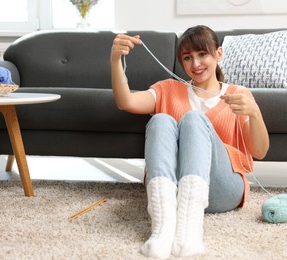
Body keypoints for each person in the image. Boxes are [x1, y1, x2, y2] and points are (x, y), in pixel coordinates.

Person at [110, 25, 269, 259]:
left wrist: (254, 113)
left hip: (222, 189)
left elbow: (260, 151)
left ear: (218, 54)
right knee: (161, 120)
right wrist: (115, 60)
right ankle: (162, 229)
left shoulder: (238, 94)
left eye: (202, 54)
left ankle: (190, 230)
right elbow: (126, 102)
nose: (195, 64)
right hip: (173, 190)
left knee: (194, 120)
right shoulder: (168, 89)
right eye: (187, 58)